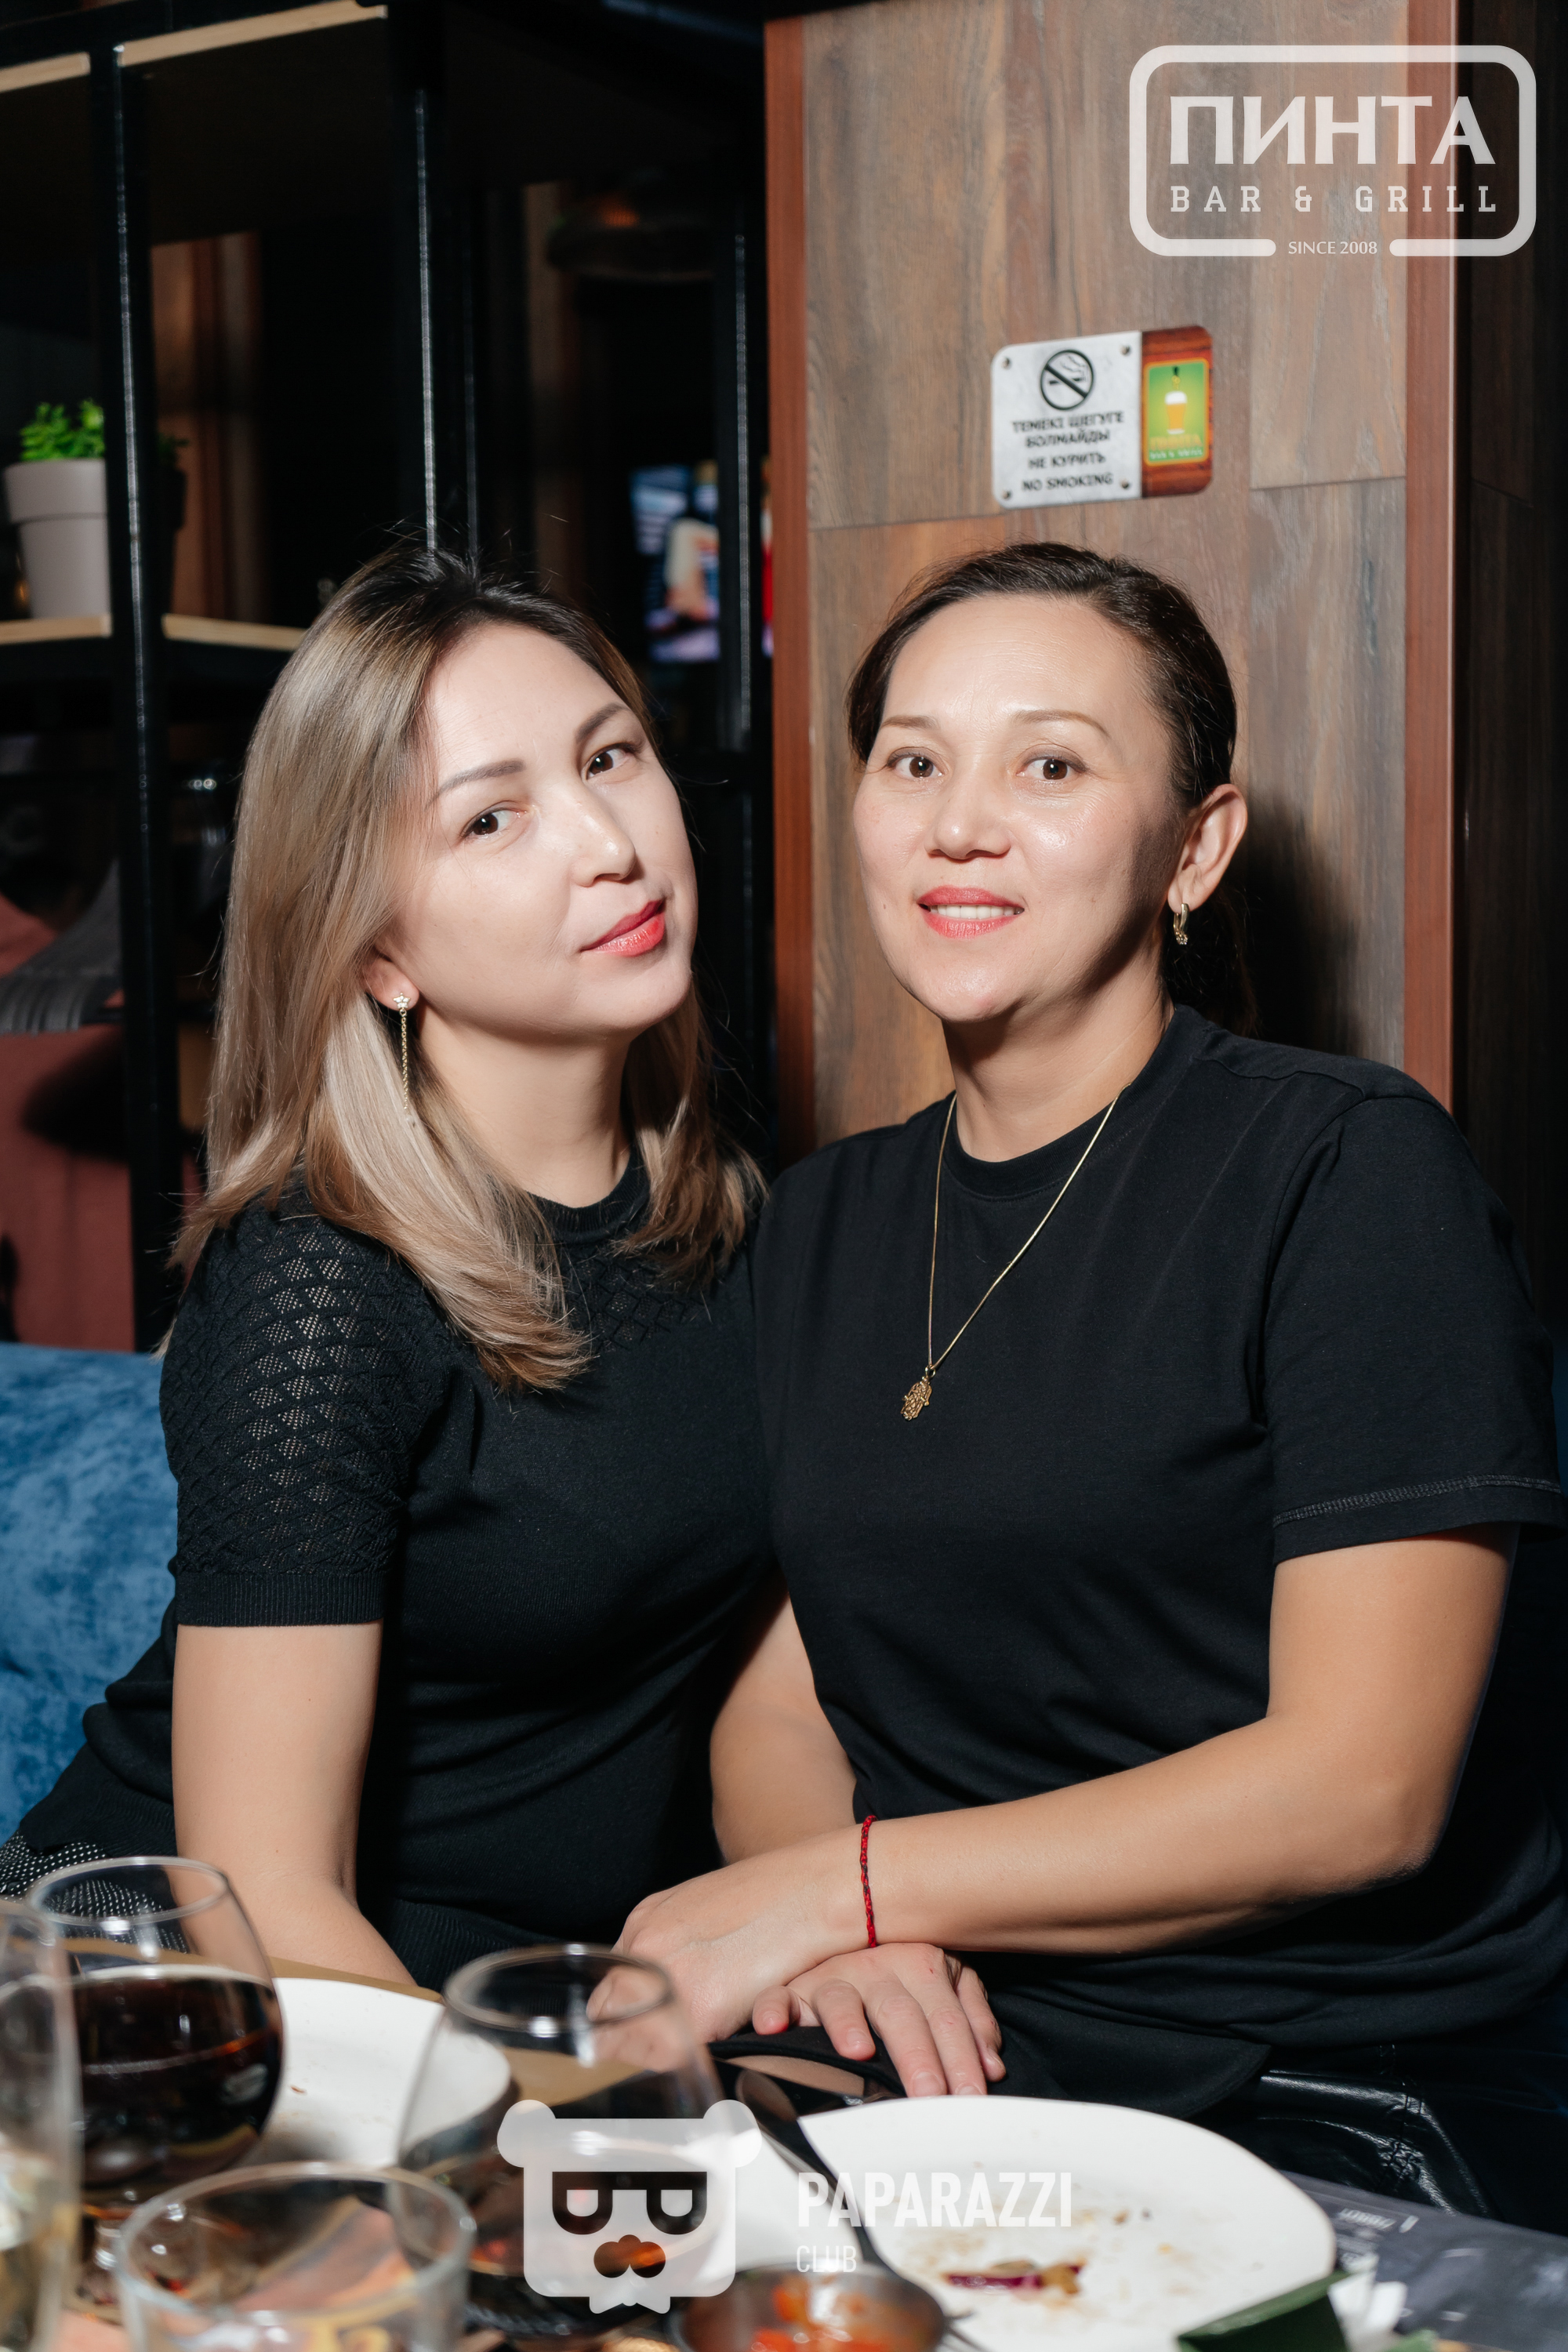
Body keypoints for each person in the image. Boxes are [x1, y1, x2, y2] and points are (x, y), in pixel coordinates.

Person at [623, 543, 1568, 2229]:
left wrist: (844, 1887)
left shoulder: (1347, 1170)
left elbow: (1362, 1789)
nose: (959, 825)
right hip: (944, 2026)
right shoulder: (819, 1222)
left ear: (1194, 847)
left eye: (1050, 766)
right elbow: (782, 1697)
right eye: (913, 762)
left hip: (1333, 2074)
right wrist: (856, 1935)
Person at [1, 549, 781, 1993]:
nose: (606, 843)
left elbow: (756, 1686)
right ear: (378, 957)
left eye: (609, 756)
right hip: (172, 1991)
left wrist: (830, 1924)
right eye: (491, 817)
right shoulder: (320, 1285)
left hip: (533, 1991)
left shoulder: (733, 1214)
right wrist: (513, 2112)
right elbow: (267, 1900)